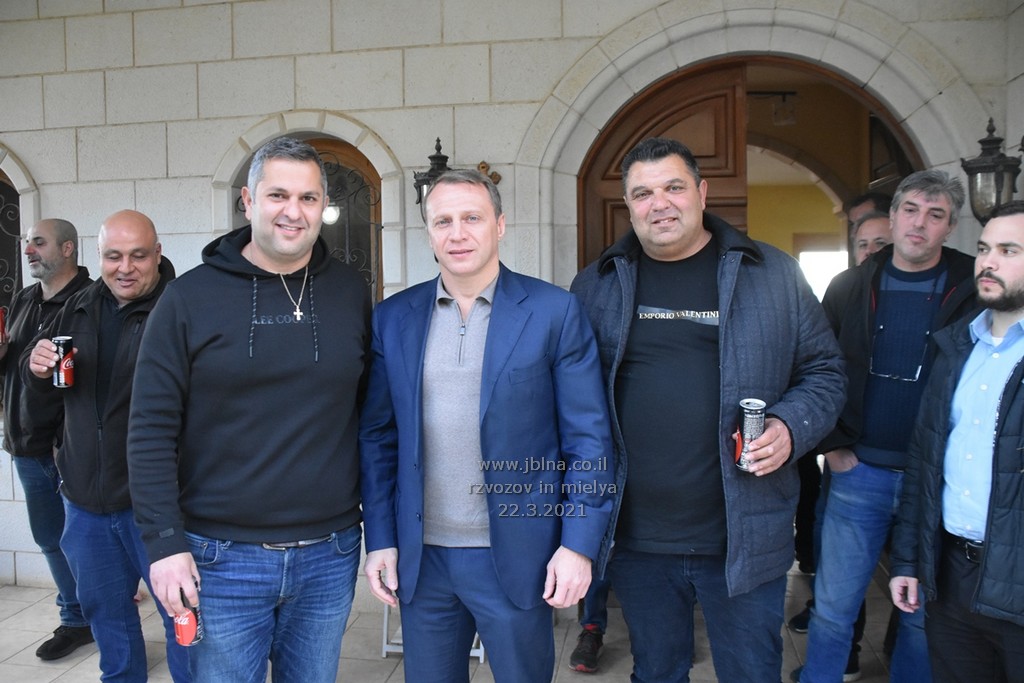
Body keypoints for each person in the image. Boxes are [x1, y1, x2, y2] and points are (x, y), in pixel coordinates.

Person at [570, 136, 846, 683]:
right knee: (657, 672)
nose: (659, 204)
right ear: (629, 206)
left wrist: (791, 425)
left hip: (744, 535)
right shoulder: (594, 285)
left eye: (673, 187)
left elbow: (826, 372)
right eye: (643, 193)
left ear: (701, 192)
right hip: (636, 538)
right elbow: (568, 399)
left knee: (751, 673)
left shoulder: (773, 274)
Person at [127, 136, 370, 683]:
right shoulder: (188, 299)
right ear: (248, 200)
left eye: (309, 198)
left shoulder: (348, 291)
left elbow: (366, 416)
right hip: (220, 558)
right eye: (278, 195)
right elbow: (149, 431)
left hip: (330, 554)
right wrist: (163, 544)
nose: (293, 211)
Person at [360, 168, 615, 683]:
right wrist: (380, 538)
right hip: (422, 559)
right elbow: (378, 437)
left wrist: (578, 545)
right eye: (443, 221)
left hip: (517, 553)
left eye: (472, 218)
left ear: (499, 225)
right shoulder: (393, 317)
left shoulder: (553, 311)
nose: (457, 233)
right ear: (429, 232)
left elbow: (588, 440)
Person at [797, 170, 977, 683]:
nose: (920, 223)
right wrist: (832, 445)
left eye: (935, 215)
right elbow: (814, 365)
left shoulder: (972, 286)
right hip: (860, 474)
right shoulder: (851, 285)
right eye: (911, 210)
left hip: (936, 482)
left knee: (920, 617)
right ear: (893, 216)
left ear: (950, 226)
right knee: (833, 608)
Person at [23, 209, 186, 682]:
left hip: (155, 507)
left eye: (138, 255)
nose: (125, 268)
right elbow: (43, 393)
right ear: (97, 256)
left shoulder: (181, 311)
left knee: (183, 619)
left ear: (158, 253)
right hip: (85, 504)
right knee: (107, 620)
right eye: (113, 256)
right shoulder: (76, 306)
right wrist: (35, 367)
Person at [889, 200, 1024, 683]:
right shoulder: (955, 349)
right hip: (951, 578)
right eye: (984, 249)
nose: (988, 262)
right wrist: (908, 560)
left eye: (1009, 251)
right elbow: (923, 463)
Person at [0, 219, 93, 660]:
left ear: (68, 248)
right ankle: (77, 618)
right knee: (51, 539)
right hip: (26, 442)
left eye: (38, 242)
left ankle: (98, 614)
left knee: (89, 539)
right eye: (26, 242)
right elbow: (14, 369)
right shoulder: (22, 299)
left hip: (71, 446)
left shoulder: (91, 300)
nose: (28, 250)